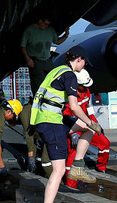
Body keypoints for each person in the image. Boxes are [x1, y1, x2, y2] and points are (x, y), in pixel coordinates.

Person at [30, 49, 96, 203]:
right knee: (58, 170)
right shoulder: (70, 75)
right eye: (85, 62)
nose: (84, 66)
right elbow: (74, 106)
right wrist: (90, 121)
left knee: (88, 130)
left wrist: (89, 125)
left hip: (47, 119)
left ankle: (77, 167)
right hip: (51, 121)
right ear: (79, 59)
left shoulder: (58, 70)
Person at [60, 69, 110, 187]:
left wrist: (96, 124)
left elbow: (89, 110)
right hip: (74, 128)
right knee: (73, 156)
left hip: (87, 126)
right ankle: (71, 184)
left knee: (105, 143)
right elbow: (66, 116)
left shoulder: (86, 91)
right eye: (83, 85)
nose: (86, 88)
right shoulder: (68, 95)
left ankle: (101, 168)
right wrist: (73, 134)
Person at [20, 16, 70, 93]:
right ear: (40, 21)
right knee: (38, 84)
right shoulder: (29, 31)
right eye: (45, 24)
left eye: (48, 24)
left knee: (55, 78)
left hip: (47, 60)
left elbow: (57, 42)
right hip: (36, 60)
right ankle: (39, 98)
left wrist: (66, 35)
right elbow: (22, 46)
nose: (46, 26)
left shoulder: (50, 30)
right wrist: (28, 59)